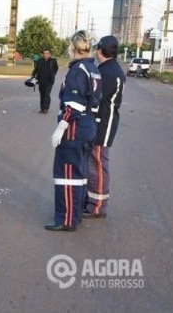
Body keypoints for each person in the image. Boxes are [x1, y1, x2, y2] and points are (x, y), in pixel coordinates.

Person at [45, 30, 102, 232]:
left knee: (66, 174)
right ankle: (75, 214)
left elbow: (73, 104)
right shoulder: (92, 68)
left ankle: (66, 219)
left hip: (74, 126)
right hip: (88, 124)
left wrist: (61, 127)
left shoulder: (78, 70)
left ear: (72, 47)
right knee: (80, 173)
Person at [83, 35, 125, 219]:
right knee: (94, 163)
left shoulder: (108, 73)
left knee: (98, 164)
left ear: (100, 50)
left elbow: (96, 98)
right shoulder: (108, 68)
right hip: (102, 122)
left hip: (103, 125)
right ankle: (93, 201)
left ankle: (98, 206)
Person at [31, 49, 59, 114]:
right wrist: (32, 75)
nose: (45, 55)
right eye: (44, 53)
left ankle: (46, 108)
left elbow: (56, 68)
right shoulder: (40, 61)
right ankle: (42, 108)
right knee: (42, 95)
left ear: (50, 54)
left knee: (47, 94)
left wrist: (53, 74)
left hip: (49, 81)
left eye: (47, 53)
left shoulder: (53, 61)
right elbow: (36, 69)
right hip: (41, 81)